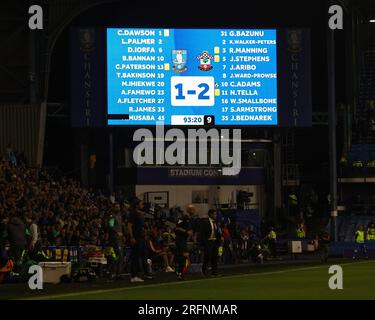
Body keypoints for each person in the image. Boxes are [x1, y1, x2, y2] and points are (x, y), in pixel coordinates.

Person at [127, 198, 153, 283]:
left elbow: (142, 226)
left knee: (144, 256)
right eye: (141, 203)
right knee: (135, 257)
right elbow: (129, 226)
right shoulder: (133, 214)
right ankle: (134, 276)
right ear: (137, 205)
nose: (142, 205)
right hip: (136, 238)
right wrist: (132, 237)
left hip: (141, 238)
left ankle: (146, 273)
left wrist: (145, 234)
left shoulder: (140, 214)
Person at [174, 204, 195, 280]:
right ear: (189, 210)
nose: (194, 211)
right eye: (192, 209)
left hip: (184, 240)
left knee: (183, 256)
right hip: (180, 239)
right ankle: (179, 273)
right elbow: (177, 227)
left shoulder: (190, 219)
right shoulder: (183, 218)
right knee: (184, 255)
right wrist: (186, 232)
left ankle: (180, 273)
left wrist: (190, 236)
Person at [200, 208, 222, 277]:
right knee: (207, 257)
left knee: (215, 257)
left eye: (216, 214)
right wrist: (204, 243)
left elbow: (217, 232)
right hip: (208, 242)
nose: (216, 215)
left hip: (214, 242)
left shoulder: (216, 223)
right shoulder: (205, 222)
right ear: (210, 214)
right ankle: (203, 271)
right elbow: (202, 233)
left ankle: (214, 272)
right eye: (214, 214)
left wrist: (219, 239)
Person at [107, 202, 124, 279]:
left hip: (119, 239)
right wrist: (117, 232)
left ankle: (118, 273)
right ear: (113, 208)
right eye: (116, 207)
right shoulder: (112, 216)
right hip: (114, 239)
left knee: (120, 256)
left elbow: (120, 227)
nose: (118, 208)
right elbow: (110, 226)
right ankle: (112, 272)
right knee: (117, 255)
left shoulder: (119, 216)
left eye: (119, 207)